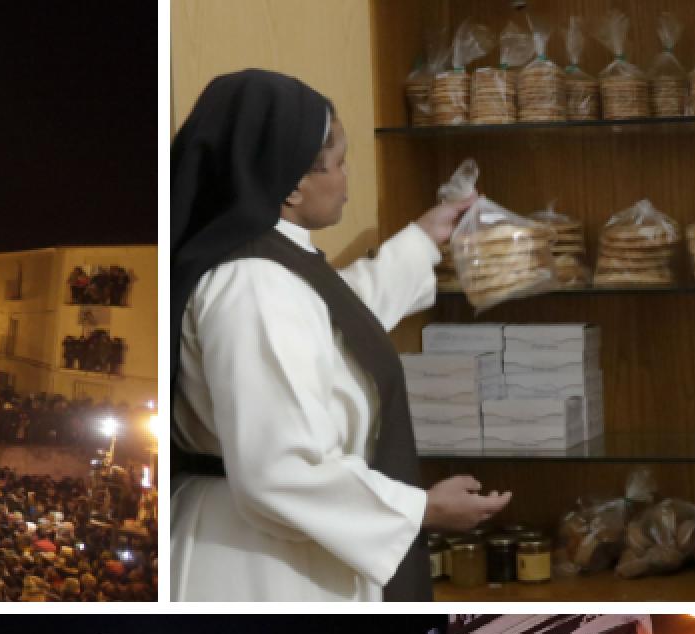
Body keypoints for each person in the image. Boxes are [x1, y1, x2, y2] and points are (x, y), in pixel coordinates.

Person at [169, 69, 506, 601]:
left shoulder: (271, 262)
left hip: (284, 540)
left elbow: (331, 323)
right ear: (294, 183)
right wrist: (423, 508)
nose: (349, 178)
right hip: (261, 564)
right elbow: (279, 468)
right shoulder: (253, 282)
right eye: (341, 162)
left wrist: (424, 238)